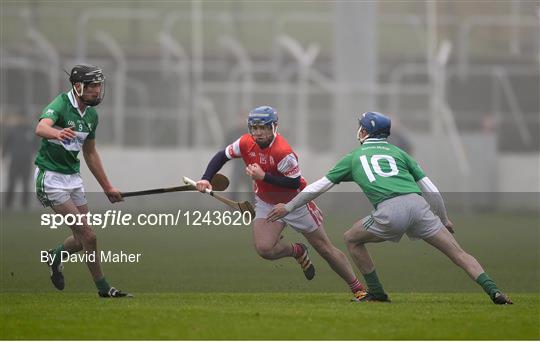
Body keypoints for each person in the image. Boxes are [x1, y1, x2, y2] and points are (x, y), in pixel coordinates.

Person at [268, 111, 512, 304]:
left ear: (364, 131)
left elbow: (318, 188)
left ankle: (376, 293)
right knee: (459, 254)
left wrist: (288, 208)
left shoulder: (353, 157)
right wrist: (444, 219)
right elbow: (432, 190)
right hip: (419, 207)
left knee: (351, 239)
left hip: (390, 210)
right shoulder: (400, 153)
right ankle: (494, 291)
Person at [195, 106, 366, 299]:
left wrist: (263, 176)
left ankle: (358, 288)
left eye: (263, 128)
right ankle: (297, 251)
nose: (258, 132)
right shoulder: (245, 142)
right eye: (254, 127)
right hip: (267, 203)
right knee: (265, 249)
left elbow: (293, 182)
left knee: (325, 249)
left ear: (274, 127)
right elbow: (222, 155)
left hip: (295, 203)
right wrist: (206, 178)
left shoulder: (283, 152)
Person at [34, 64, 130, 298]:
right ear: (78, 87)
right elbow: (40, 127)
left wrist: (107, 187)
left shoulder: (92, 115)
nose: (97, 90)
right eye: (93, 86)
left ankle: (55, 256)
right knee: (89, 236)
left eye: (99, 85)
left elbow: (90, 153)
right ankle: (104, 289)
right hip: (51, 178)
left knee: (79, 240)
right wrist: (57, 133)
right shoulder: (60, 104)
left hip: (73, 178)